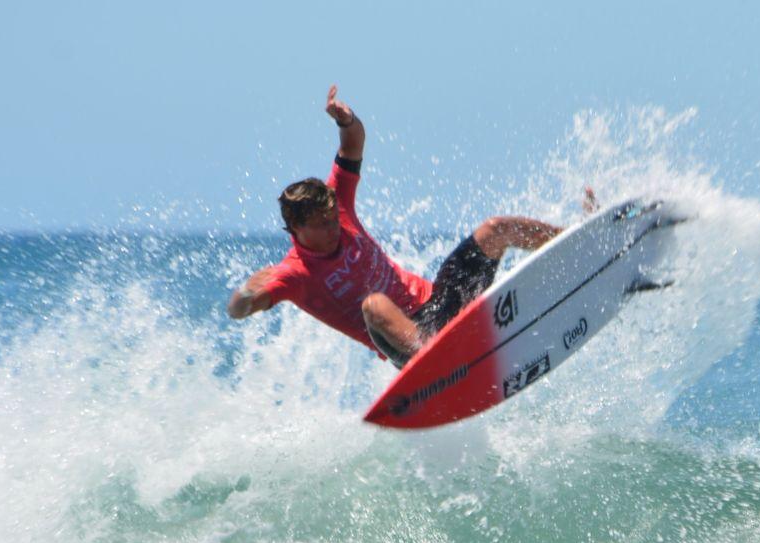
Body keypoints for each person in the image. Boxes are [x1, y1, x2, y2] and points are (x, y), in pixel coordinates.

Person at [227, 86, 587, 366]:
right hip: (406, 343)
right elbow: (237, 311)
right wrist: (245, 293)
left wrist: (346, 121)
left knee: (495, 229)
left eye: (333, 218)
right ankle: (437, 362)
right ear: (296, 228)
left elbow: (352, 145)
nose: (333, 227)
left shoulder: (339, 205)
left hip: (442, 305)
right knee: (373, 305)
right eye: (321, 225)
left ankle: (579, 238)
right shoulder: (293, 274)